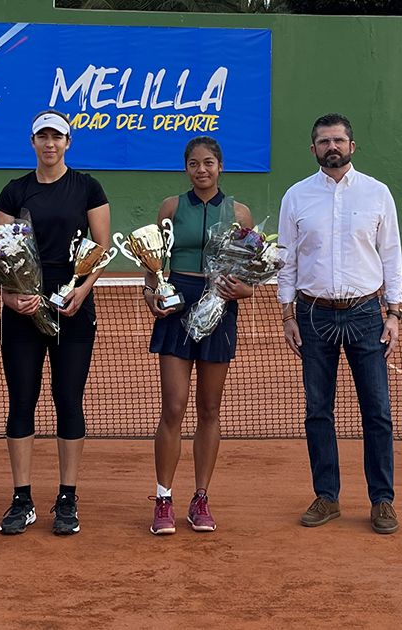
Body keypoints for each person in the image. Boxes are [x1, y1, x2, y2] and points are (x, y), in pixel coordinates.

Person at [277, 113, 402, 535]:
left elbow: (391, 255)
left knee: (378, 412)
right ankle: (327, 496)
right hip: (313, 316)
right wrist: (287, 313)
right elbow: (287, 259)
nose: (332, 146)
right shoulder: (295, 196)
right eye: (324, 141)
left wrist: (394, 312)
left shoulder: (377, 193)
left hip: (367, 314)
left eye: (339, 140)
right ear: (312, 149)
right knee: (318, 411)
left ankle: (382, 501)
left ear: (352, 146)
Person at [0, 110, 111, 536]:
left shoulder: (88, 187)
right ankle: (21, 498)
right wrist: (10, 295)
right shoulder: (14, 191)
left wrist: (81, 291)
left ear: (68, 142)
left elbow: (100, 247)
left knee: (68, 401)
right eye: (42, 136)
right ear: (33, 141)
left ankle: (67, 497)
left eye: (56, 137)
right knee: (22, 401)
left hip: (73, 311)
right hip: (22, 314)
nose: (49, 143)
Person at [146, 136, 254, 535]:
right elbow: (152, 264)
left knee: (210, 409)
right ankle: (163, 498)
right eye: (194, 163)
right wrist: (149, 293)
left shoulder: (239, 213)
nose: (202, 170)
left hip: (219, 306)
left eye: (209, 163)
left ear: (220, 166)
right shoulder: (171, 208)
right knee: (173, 408)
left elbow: (248, 275)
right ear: (186, 168)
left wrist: (242, 290)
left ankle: (201, 498)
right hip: (177, 305)